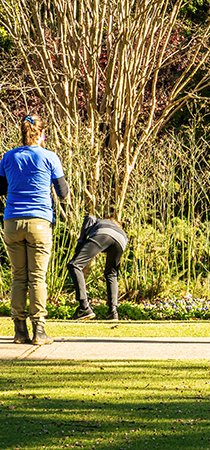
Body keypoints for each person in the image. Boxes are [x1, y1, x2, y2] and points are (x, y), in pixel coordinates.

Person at [1, 115, 69, 345]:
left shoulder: (8, 157)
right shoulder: (49, 156)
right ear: (41, 134)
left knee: (19, 277)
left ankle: (19, 331)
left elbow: (1, 188)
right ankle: (39, 331)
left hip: (12, 222)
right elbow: (63, 191)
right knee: (37, 277)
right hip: (39, 222)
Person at [68, 215, 128, 321]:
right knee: (111, 273)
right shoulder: (118, 228)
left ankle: (84, 307)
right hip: (122, 240)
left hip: (104, 233)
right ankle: (113, 312)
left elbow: (89, 217)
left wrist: (80, 243)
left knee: (74, 265)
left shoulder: (99, 221)